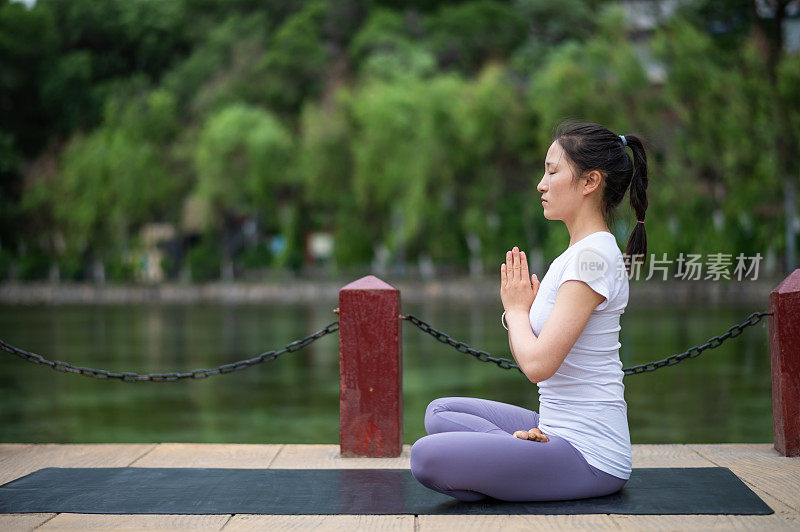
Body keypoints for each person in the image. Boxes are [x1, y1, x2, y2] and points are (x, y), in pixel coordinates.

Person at [409, 121, 649, 502]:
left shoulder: (593, 259)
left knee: (425, 457)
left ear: (590, 182)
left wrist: (517, 311)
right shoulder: (575, 255)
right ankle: (521, 455)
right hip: (554, 426)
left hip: (589, 454)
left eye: (552, 171)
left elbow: (538, 366)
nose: (541, 183)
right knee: (439, 412)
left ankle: (520, 461)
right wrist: (522, 311)